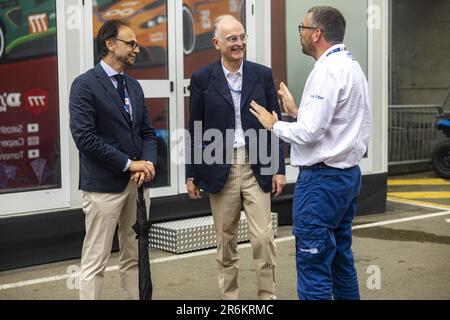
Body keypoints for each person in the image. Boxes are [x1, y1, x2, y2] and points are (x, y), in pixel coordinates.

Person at [250, 6, 371, 300]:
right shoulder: (351, 66)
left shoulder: (326, 70)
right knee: (341, 259)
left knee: (313, 262)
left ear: (316, 34)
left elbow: (310, 134)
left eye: (302, 29)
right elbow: (334, 124)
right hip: (346, 178)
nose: (300, 35)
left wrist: (274, 123)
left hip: (321, 182)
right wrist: (297, 112)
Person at [186, 15, 286, 300]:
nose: (239, 43)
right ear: (217, 43)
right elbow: (195, 127)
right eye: (232, 39)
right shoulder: (202, 78)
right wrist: (191, 173)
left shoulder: (262, 74)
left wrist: (277, 167)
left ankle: (267, 297)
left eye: (242, 37)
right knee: (225, 240)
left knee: (264, 237)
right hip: (220, 166)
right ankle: (229, 298)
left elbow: (274, 123)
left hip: (257, 164)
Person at [69, 20, 157, 300]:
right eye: (131, 43)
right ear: (110, 44)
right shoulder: (84, 85)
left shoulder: (133, 86)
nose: (136, 49)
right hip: (103, 187)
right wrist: (129, 164)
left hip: (137, 185)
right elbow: (85, 138)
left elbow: (147, 133)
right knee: (95, 261)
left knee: (133, 256)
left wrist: (148, 163)